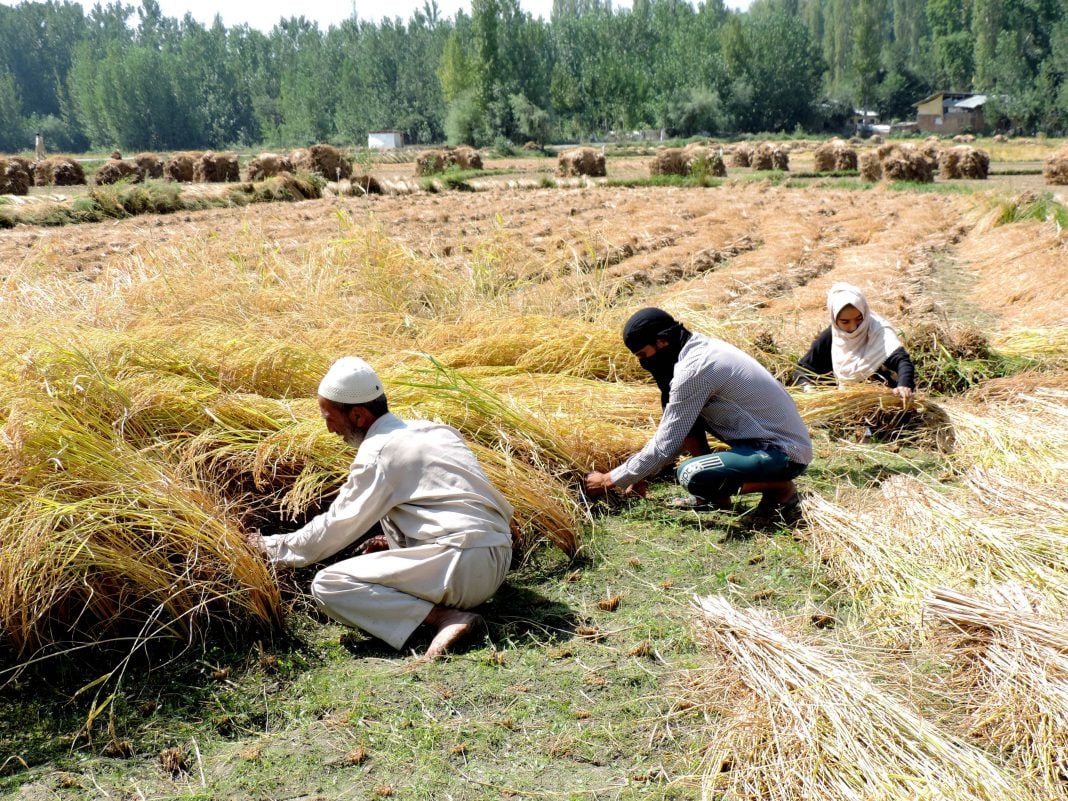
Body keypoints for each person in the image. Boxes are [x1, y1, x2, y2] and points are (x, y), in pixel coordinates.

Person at [249, 356, 513, 658]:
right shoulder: (436, 430)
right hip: (497, 560)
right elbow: (454, 506)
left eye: (328, 417)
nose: (329, 429)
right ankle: (446, 607)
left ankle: (446, 618)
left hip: (460, 568)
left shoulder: (379, 452)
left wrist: (268, 547)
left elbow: (335, 527)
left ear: (358, 416)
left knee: (329, 584)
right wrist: (395, 543)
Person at [584, 308, 812, 529]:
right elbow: (678, 430)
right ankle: (714, 497)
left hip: (784, 453)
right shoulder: (698, 348)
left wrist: (609, 480)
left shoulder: (694, 370)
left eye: (643, 355)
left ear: (662, 342)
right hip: (771, 446)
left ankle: (781, 488)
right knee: (683, 417)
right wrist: (641, 472)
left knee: (691, 474)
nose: (643, 363)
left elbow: (665, 445)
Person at [794, 282, 915, 401]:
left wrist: (903, 385)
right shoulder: (832, 336)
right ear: (834, 319)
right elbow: (803, 369)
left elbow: (902, 361)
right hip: (845, 403)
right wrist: (808, 389)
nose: (853, 327)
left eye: (859, 319)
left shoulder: (878, 331)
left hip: (881, 400)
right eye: (845, 322)